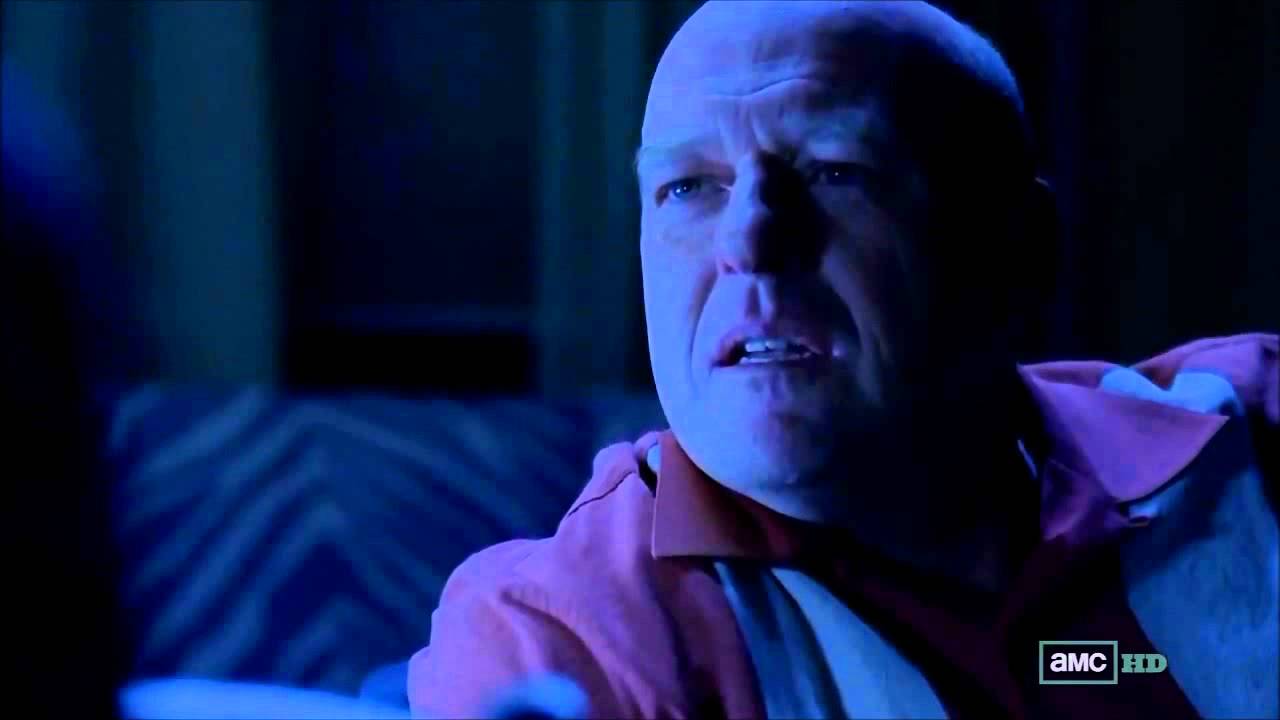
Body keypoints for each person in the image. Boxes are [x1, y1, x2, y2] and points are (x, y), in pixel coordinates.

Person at [408, 2, 1278, 718]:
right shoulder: (568, 639)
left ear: (1019, 251)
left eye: (833, 171)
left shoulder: (1251, 440)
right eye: (689, 187)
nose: (749, 241)